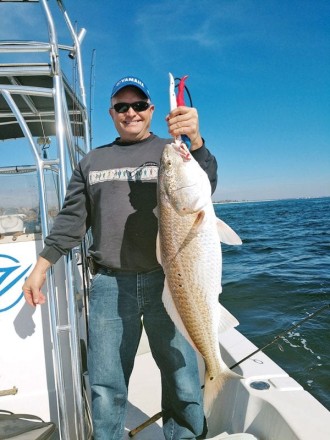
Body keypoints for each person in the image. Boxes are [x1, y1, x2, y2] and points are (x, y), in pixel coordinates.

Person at [22, 76, 218, 440]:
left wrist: (197, 141)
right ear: (112, 113)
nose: (131, 112)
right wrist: (41, 266)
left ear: (152, 110)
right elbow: (71, 219)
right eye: (122, 106)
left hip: (169, 281)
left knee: (183, 378)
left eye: (139, 105)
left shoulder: (172, 152)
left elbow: (202, 186)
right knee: (106, 384)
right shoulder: (92, 162)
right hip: (110, 284)